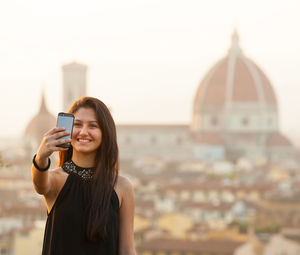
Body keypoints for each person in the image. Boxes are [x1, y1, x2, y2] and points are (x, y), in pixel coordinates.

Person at [31, 97, 136, 255]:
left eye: (93, 126)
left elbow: (127, 250)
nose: (83, 132)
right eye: (77, 125)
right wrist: (41, 157)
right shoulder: (55, 180)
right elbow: (40, 185)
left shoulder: (122, 186)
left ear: (105, 133)